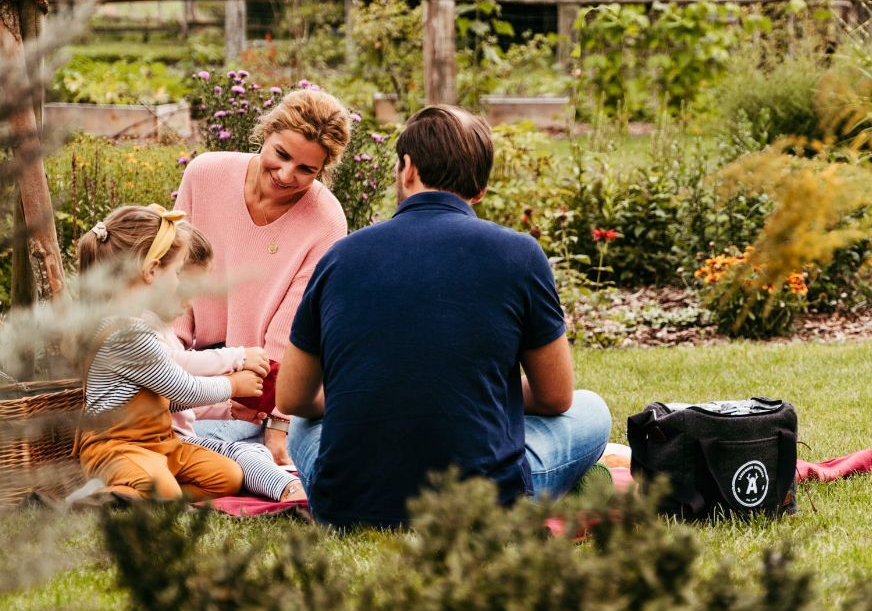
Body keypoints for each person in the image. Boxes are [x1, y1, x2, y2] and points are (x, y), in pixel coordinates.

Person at [276, 105, 612, 529]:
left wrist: (366, 391)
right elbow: (555, 397)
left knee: (302, 428)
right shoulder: (520, 254)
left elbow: (292, 399)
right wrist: (477, 389)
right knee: (591, 409)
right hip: (484, 504)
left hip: (347, 504)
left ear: (407, 169)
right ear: (481, 188)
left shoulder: (340, 255)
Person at [171, 88, 353, 463]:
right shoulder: (205, 175)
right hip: (184, 367)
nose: (286, 175)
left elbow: (291, 332)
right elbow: (172, 281)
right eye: (281, 155)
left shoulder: (326, 220)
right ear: (266, 132)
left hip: (252, 389)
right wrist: (166, 367)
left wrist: (278, 423)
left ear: (323, 170)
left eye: (307, 170)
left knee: (186, 445)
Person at [72, 204, 262, 501]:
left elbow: (166, 400)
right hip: (116, 448)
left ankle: (146, 496)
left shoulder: (137, 327)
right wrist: (234, 385)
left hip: (160, 444)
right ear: (151, 271)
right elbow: (184, 390)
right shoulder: (126, 335)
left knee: (228, 478)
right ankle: (103, 495)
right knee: (163, 489)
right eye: (175, 272)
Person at [165, 226, 306, 501]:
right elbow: (179, 376)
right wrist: (234, 370)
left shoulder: (161, 330)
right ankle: (288, 488)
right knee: (243, 455)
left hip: (177, 440)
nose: (190, 301)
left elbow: (170, 400)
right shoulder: (142, 333)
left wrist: (228, 409)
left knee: (246, 457)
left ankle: (286, 487)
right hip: (166, 444)